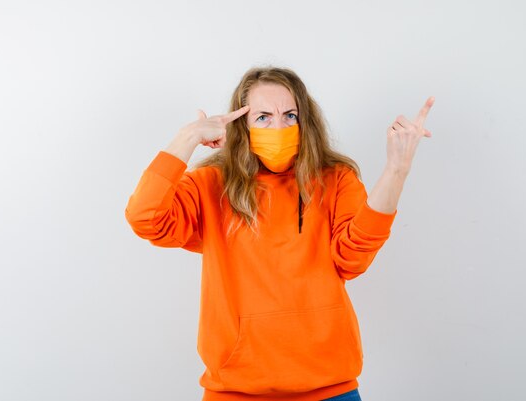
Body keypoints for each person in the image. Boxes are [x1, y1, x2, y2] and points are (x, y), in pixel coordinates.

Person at [125, 66, 434, 401]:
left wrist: (397, 169)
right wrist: (187, 138)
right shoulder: (211, 185)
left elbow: (353, 259)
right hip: (235, 390)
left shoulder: (336, 179)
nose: (279, 126)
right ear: (241, 125)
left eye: (290, 115)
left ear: (306, 121)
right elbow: (145, 217)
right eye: (262, 117)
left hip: (330, 388)